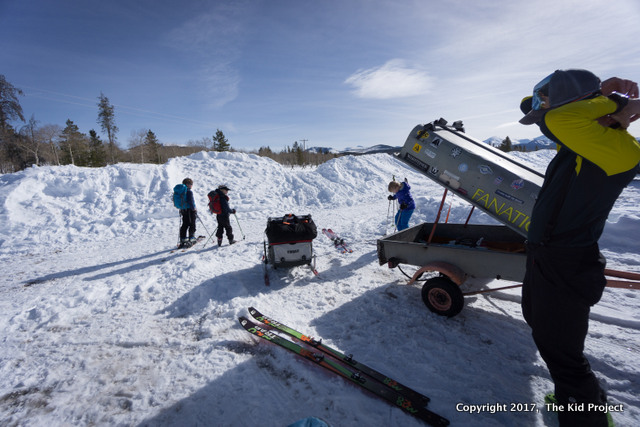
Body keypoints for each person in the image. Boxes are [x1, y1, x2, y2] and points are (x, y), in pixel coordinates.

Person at [519, 69, 640, 426]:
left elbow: (556, 116)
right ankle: (576, 394)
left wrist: (617, 101)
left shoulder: (616, 149)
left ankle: (584, 413)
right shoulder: (583, 138)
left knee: (561, 350)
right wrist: (606, 96)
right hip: (546, 256)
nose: (544, 116)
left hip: (565, 260)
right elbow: (538, 110)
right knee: (542, 326)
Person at [178, 178, 197, 248]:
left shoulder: (180, 192)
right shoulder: (189, 192)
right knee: (192, 224)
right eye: (191, 184)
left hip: (183, 210)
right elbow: (191, 201)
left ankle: (183, 240)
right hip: (190, 210)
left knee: (185, 224)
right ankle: (191, 239)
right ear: (187, 184)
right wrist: (194, 209)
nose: (191, 186)